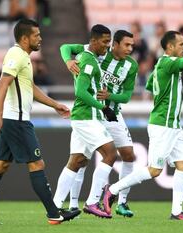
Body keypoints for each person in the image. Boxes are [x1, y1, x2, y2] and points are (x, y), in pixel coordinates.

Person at [102, 27, 183, 220]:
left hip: (173, 125)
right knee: (154, 170)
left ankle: (177, 211)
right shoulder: (169, 63)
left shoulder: (161, 64)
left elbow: (150, 84)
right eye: (181, 44)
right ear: (169, 47)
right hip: (163, 125)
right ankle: (113, 190)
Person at [0, 19, 81, 225]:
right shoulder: (15, 54)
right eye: (36, 35)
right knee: (37, 164)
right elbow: (3, 83)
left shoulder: (24, 58)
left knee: (0, 165)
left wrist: (55, 105)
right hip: (17, 122)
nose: (40, 38)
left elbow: (30, 87)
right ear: (24, 38)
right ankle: (53, 214)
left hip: (13, 121)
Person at [56, 29, 138, 217]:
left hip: (112, 114)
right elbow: (65, 47)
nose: (130, 49)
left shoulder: (131, 66)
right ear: (115, 44)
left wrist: (111, 96)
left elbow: (126, 96)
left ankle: (121, 202)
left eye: (132, 45)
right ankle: (77, 203)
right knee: (83, 160)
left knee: (128, 154)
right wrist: (68, 60)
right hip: (93, 112)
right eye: (126, 44)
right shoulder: (98, 51)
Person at [52, 24, 118, 219]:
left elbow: (65, 47)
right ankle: (92, 202)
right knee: (110, 154)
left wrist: (67, 60)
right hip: (86, 117)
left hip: (84, 117)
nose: (107, 46)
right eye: (105, 42)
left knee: (77, 161)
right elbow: (80, 92)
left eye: (109, 41)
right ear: (94, 41)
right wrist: (103, 107)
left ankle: (54, 206)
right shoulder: (88, 60)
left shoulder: (84, 54)